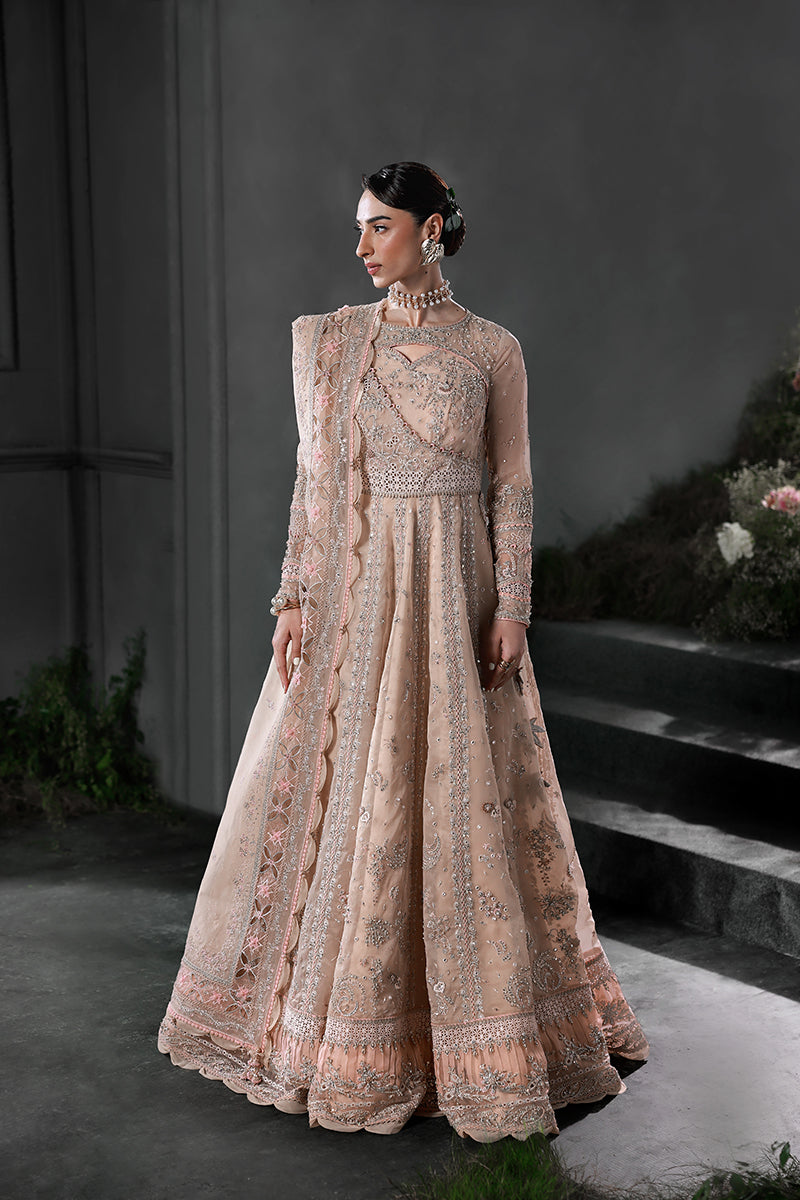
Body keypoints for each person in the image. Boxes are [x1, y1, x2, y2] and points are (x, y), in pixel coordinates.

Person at [158, 161, 648, 1142]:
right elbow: (311, 481)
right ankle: (353, 1037)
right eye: (359, 227)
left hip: (458, 592)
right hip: (360, 594)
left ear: (431, 228)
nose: (361, 247)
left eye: (378, 226)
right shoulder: (331, 342)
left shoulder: (492, 350)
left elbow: (511, 483)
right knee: (360, 792)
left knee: (465, 793)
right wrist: (292, 596)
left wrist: (514, 606)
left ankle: (481, 1038)